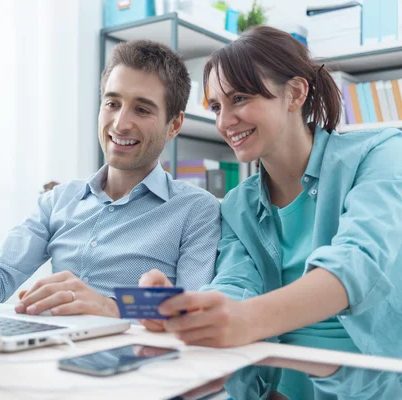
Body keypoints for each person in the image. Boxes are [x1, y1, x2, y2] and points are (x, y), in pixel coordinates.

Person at [139, 26, 402, 398]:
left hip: (372, 384)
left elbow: (357, 263)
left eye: (240, 98)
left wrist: (247, 320)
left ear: (295, 93)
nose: (225, 121)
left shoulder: (380, 153)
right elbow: (235, 284)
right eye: (216, 107)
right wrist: (189, 313)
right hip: (272, 387)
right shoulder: (237, 205)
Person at [0, 40, 221, 318]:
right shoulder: (58, 201)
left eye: (142, 109)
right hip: (51, 351)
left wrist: (112, 307)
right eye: (112, 103)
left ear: (175, 125)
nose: (120, 123)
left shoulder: (197, 210)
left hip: (140, 359)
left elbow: (192, 309)